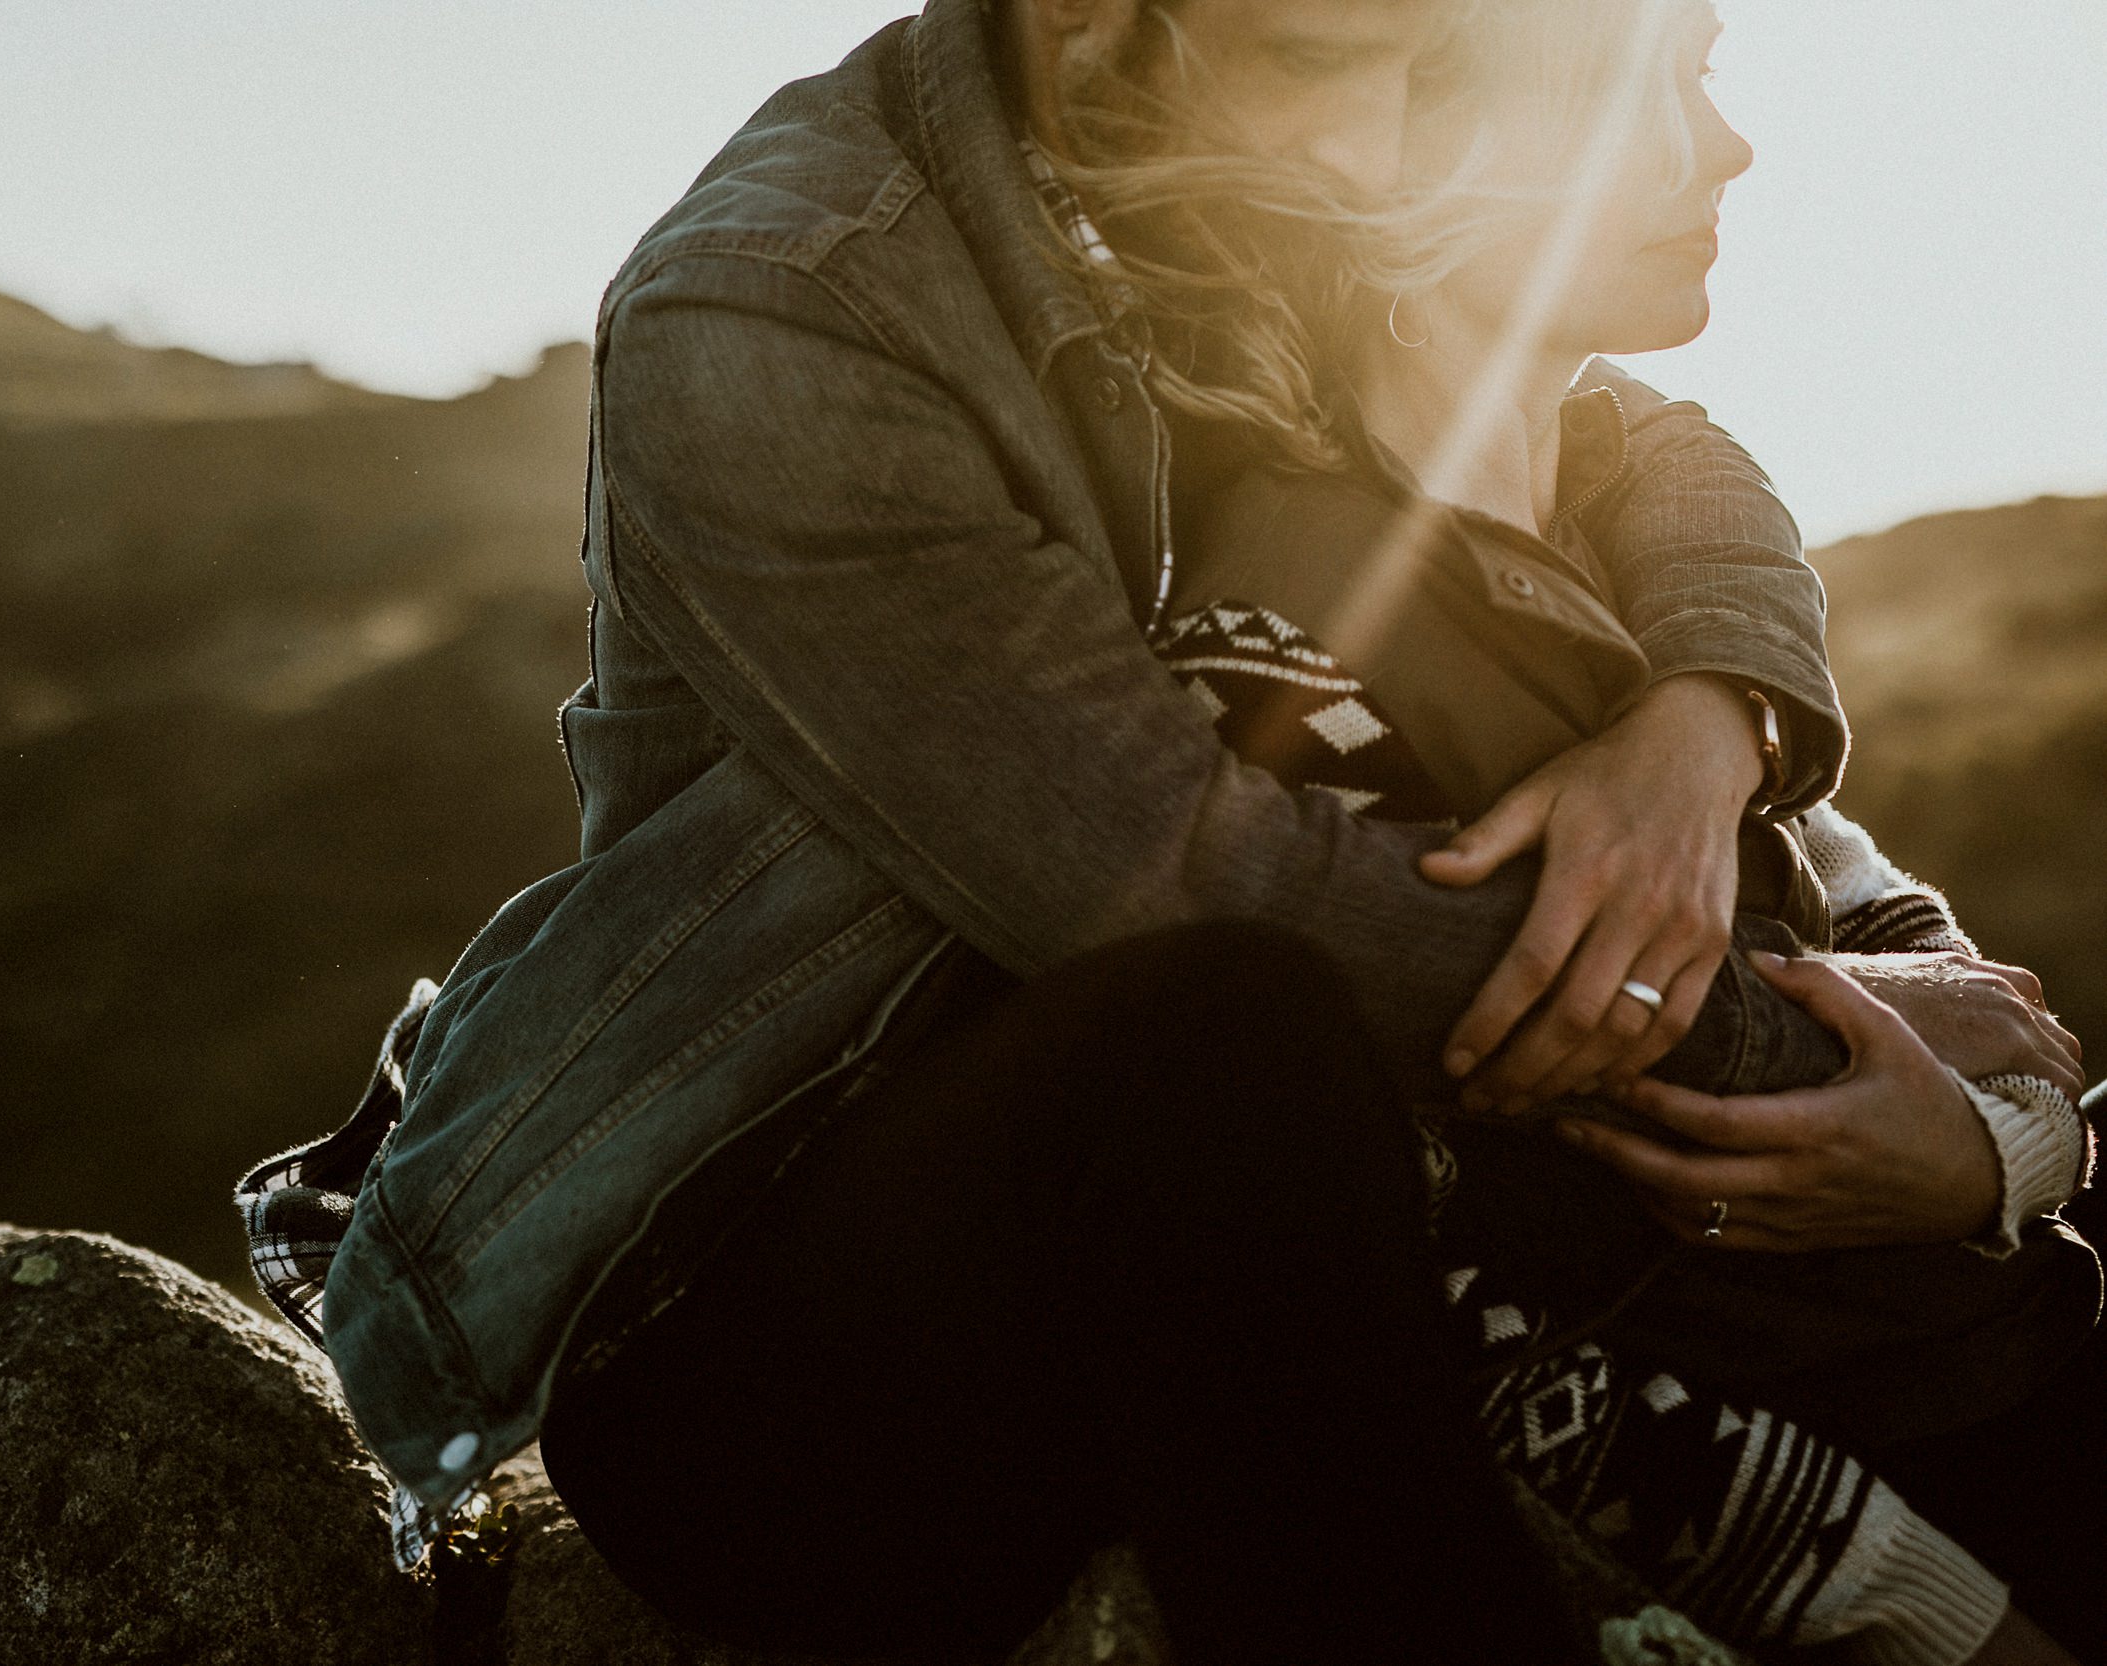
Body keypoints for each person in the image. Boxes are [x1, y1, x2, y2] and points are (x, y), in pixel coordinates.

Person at [233, 0, 2088, 1660]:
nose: (1388, 129)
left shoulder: (1233, 151)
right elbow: (1178, 883)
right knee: (1226, 1039)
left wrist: (1708, 721)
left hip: (1304, 1206)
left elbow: (1617, 414)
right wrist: (1842, 1052)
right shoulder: (782, 302)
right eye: (1330, 61)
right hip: (785, 1310)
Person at [1053, 0, 2100, 1654]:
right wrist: (1933, 1613)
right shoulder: (1283, 638)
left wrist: (2005, 1144)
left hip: (2021, 1324)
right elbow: (1439, 1308)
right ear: (1427, 154)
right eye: (1649, 97)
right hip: (1896, 1462)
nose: (1732, 146)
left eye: (1709, 73)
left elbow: (1861, 885)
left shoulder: (1625, 517)